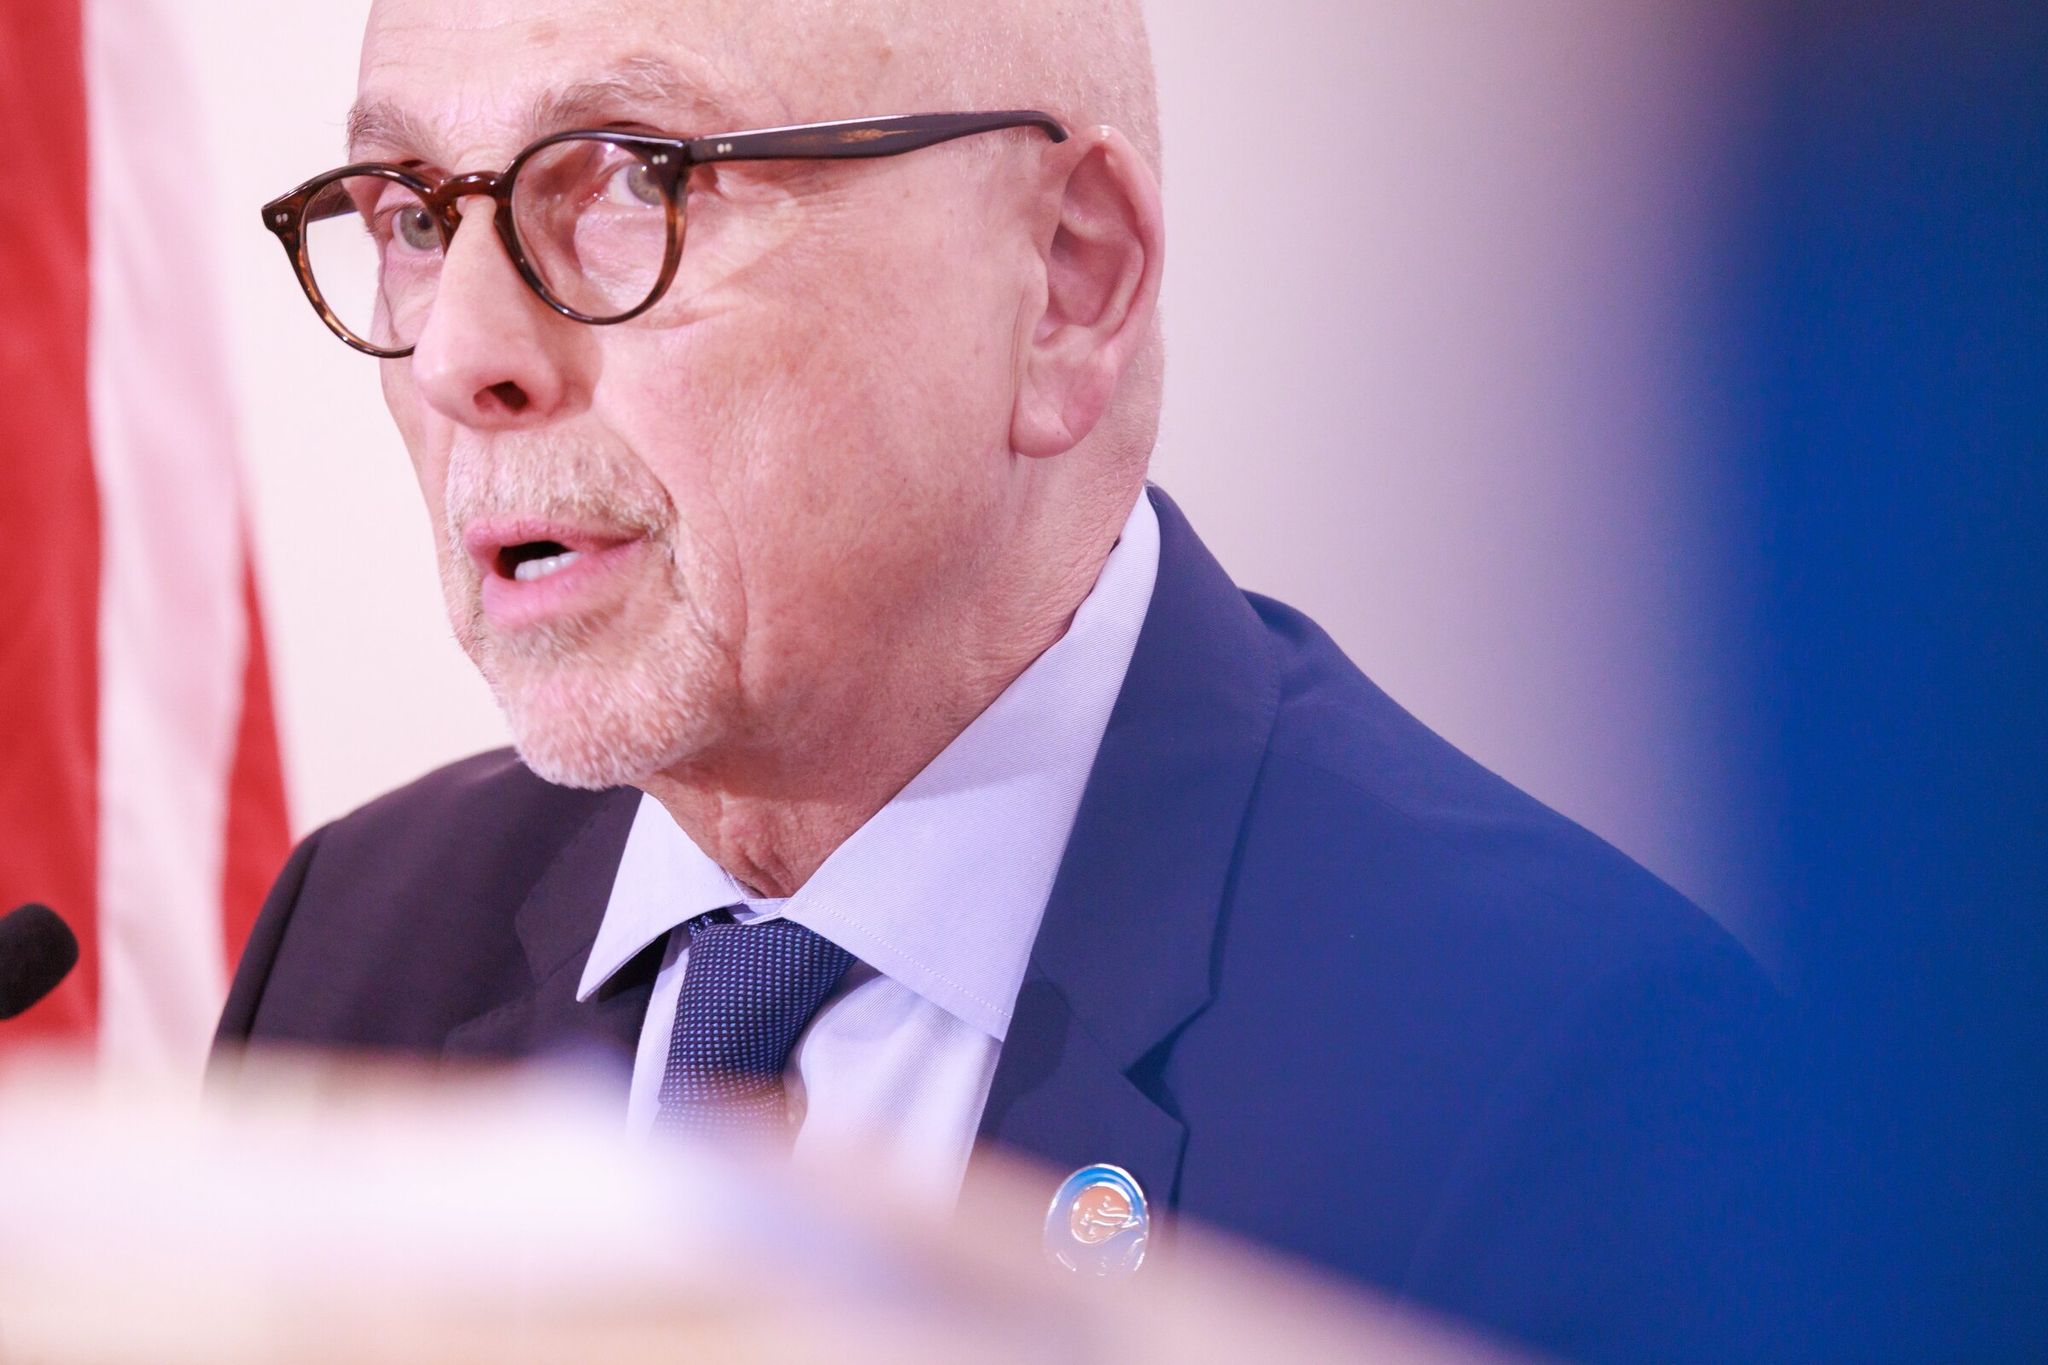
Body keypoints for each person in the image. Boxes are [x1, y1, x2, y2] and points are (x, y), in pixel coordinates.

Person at [217, 1, 1797, 1358]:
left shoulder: (1562, 1088)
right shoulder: (354, 950)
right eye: (416, 215)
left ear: (1066, 282)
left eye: (637, 176)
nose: (458, 353)